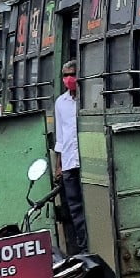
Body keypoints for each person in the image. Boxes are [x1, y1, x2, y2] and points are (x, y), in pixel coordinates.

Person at [53, 60, 89, 253]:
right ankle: (84, 248)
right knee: (75, 210)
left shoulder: (89, 97)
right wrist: (58, 165)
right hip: (69, 162)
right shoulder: (61, 102)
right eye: (65, 75)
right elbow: (60, 136)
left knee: (91, 207)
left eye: (72, 74)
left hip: (87, 160)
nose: (69, 79)